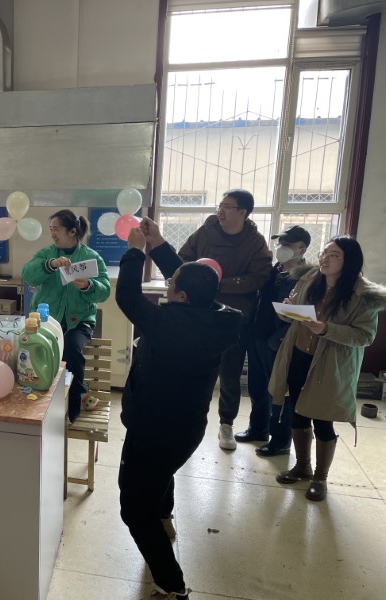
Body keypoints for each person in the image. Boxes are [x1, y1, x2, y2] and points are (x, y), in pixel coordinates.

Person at [117, 219, 241, 600]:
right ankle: (164, 517)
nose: (168, 286)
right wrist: (159, 245)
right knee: (161, 474)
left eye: (171, 285)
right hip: (185, 428)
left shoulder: (167, 323)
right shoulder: (224, 319)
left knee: (133, 509)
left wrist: (136, 251)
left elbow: (127, 297)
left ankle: (172, 585)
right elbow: (195, 286)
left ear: (181, 297)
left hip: (152, 428)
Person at [270, 236, 386, 501]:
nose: (324, 259)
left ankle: (320, 478)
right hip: (298, 355)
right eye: (324, 253)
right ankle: (302, 466)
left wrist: (325, 329)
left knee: (322, 419)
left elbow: (364, 336)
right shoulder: (310, 279)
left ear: (349, 260)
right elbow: (292, 311)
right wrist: (288, 309)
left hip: (330, 364)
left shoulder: (363, 294)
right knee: (297, 412)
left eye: (334, 255)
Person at [178, 189, 271, 450]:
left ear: (243, 212)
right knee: (193, 367)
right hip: (200, 313)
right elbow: (184, 258)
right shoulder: (205, 232)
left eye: (228, 206)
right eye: (220, 205)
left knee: (230, 374)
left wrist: (219, 284)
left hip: (235, 316)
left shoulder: (255, 242)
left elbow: (259, 278)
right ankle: (188, 416)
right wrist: (194, 279)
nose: (221, 210)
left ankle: (226, 424)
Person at [21, 209, 110, 423]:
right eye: (51, 229)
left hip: (79, 321)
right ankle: (40, 404)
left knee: (71, 347)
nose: (52, 233)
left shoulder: (91, 257)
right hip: (47, 319)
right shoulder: (46, 254)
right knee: (38, 348)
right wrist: (50, 265)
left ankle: (72, 408)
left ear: (72, 231)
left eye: (56, 229)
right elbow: (27, 274)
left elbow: (105, 291)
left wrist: (88, 285)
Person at [236, 225, 311, 455]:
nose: (281, 248)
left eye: (287, 245)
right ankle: (258, 429)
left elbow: (307, 314)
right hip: (258, 335)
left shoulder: (308, 278)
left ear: (301, 249)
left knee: (280, 392)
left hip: (281, 341)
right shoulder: (272, 270)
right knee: (257, 386)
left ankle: (280, 440)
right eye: (280, 244)